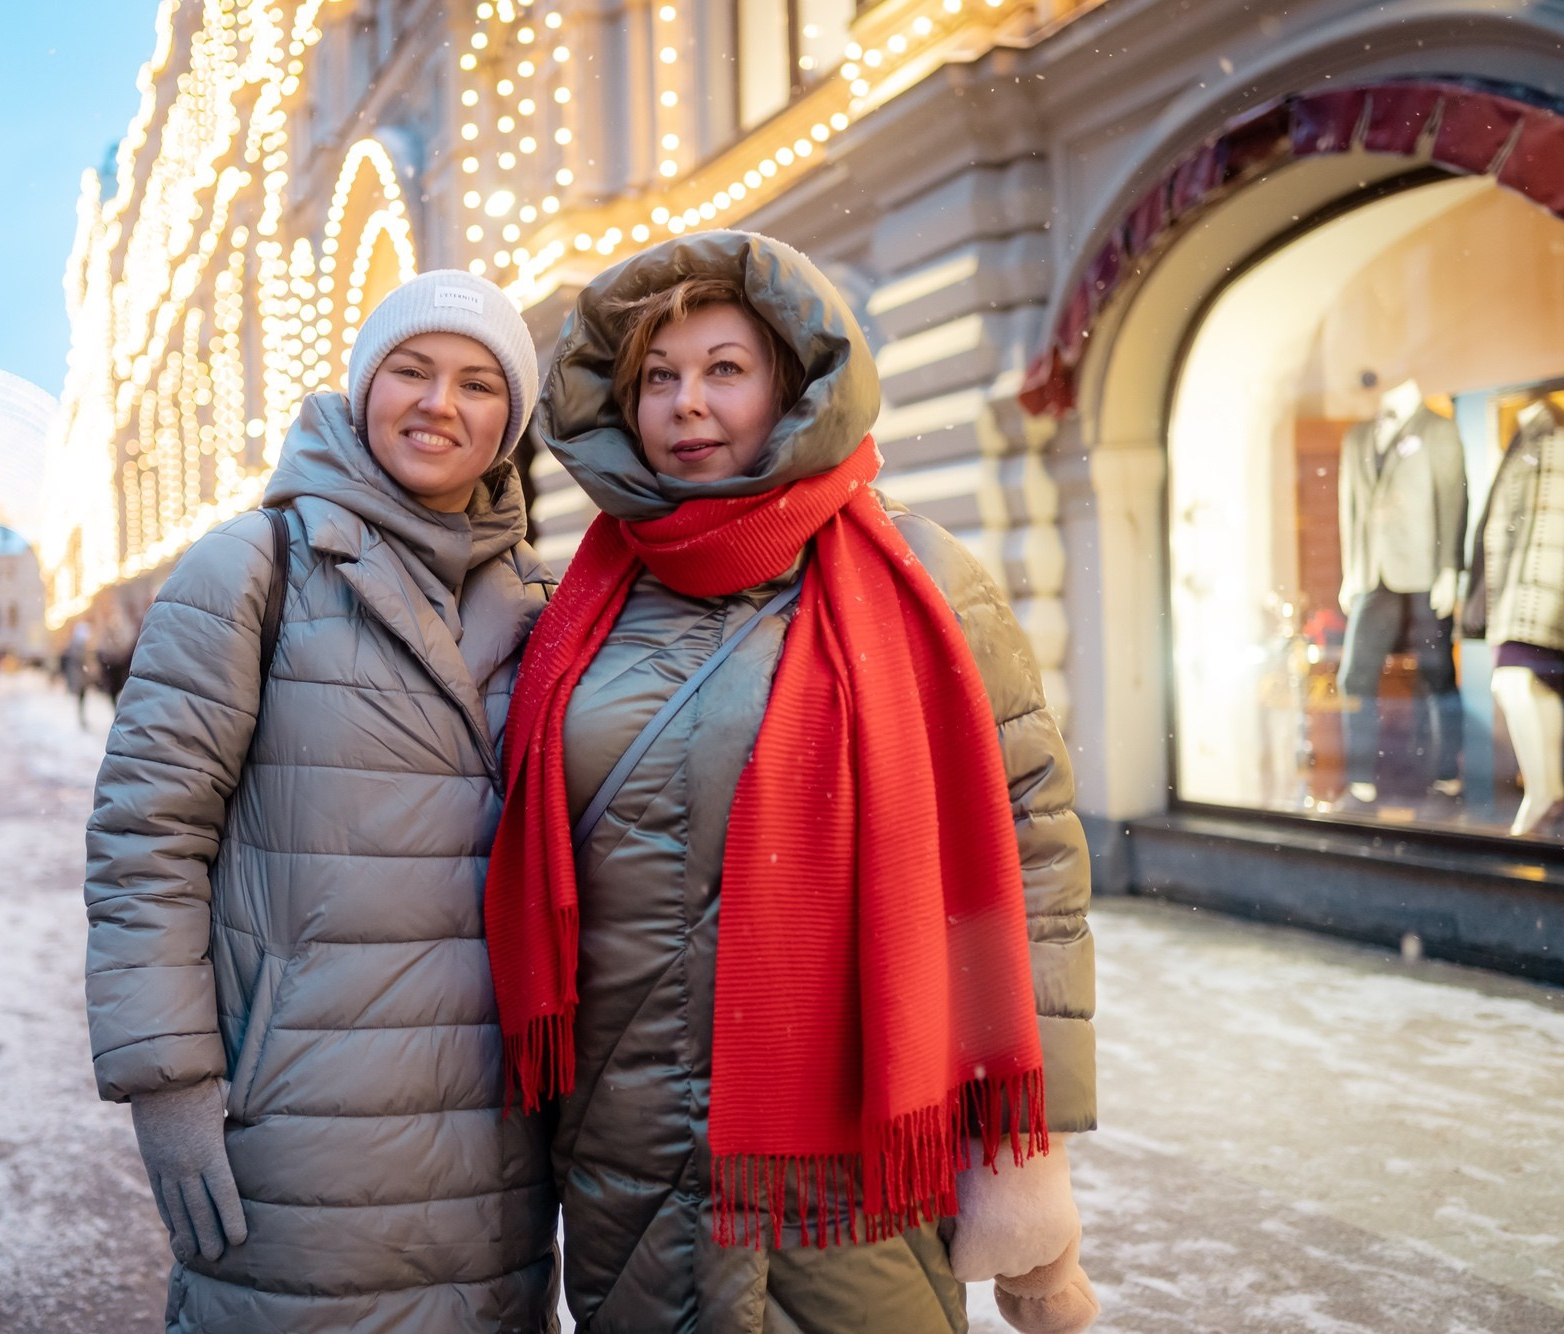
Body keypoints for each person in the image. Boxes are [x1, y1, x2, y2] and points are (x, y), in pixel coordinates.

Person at [486, 232, 1098, 1333]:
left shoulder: (919, 575)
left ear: (789, 384)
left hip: (858, 1151)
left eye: (724, 368)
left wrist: (1024, 1138)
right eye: (657, 379)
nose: (687, 403)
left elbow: (1032, 858)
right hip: (628, 1146)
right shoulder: (579, 602)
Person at [84, 270, 558, 1331]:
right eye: (412, 370)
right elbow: (146, 838)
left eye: (478, 383)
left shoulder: (544, 602)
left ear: (508, 421)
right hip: (297, 1128)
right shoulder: (250, 570)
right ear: (360, 389)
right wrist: (166, 1079)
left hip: (495, 1150)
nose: (441, 402)